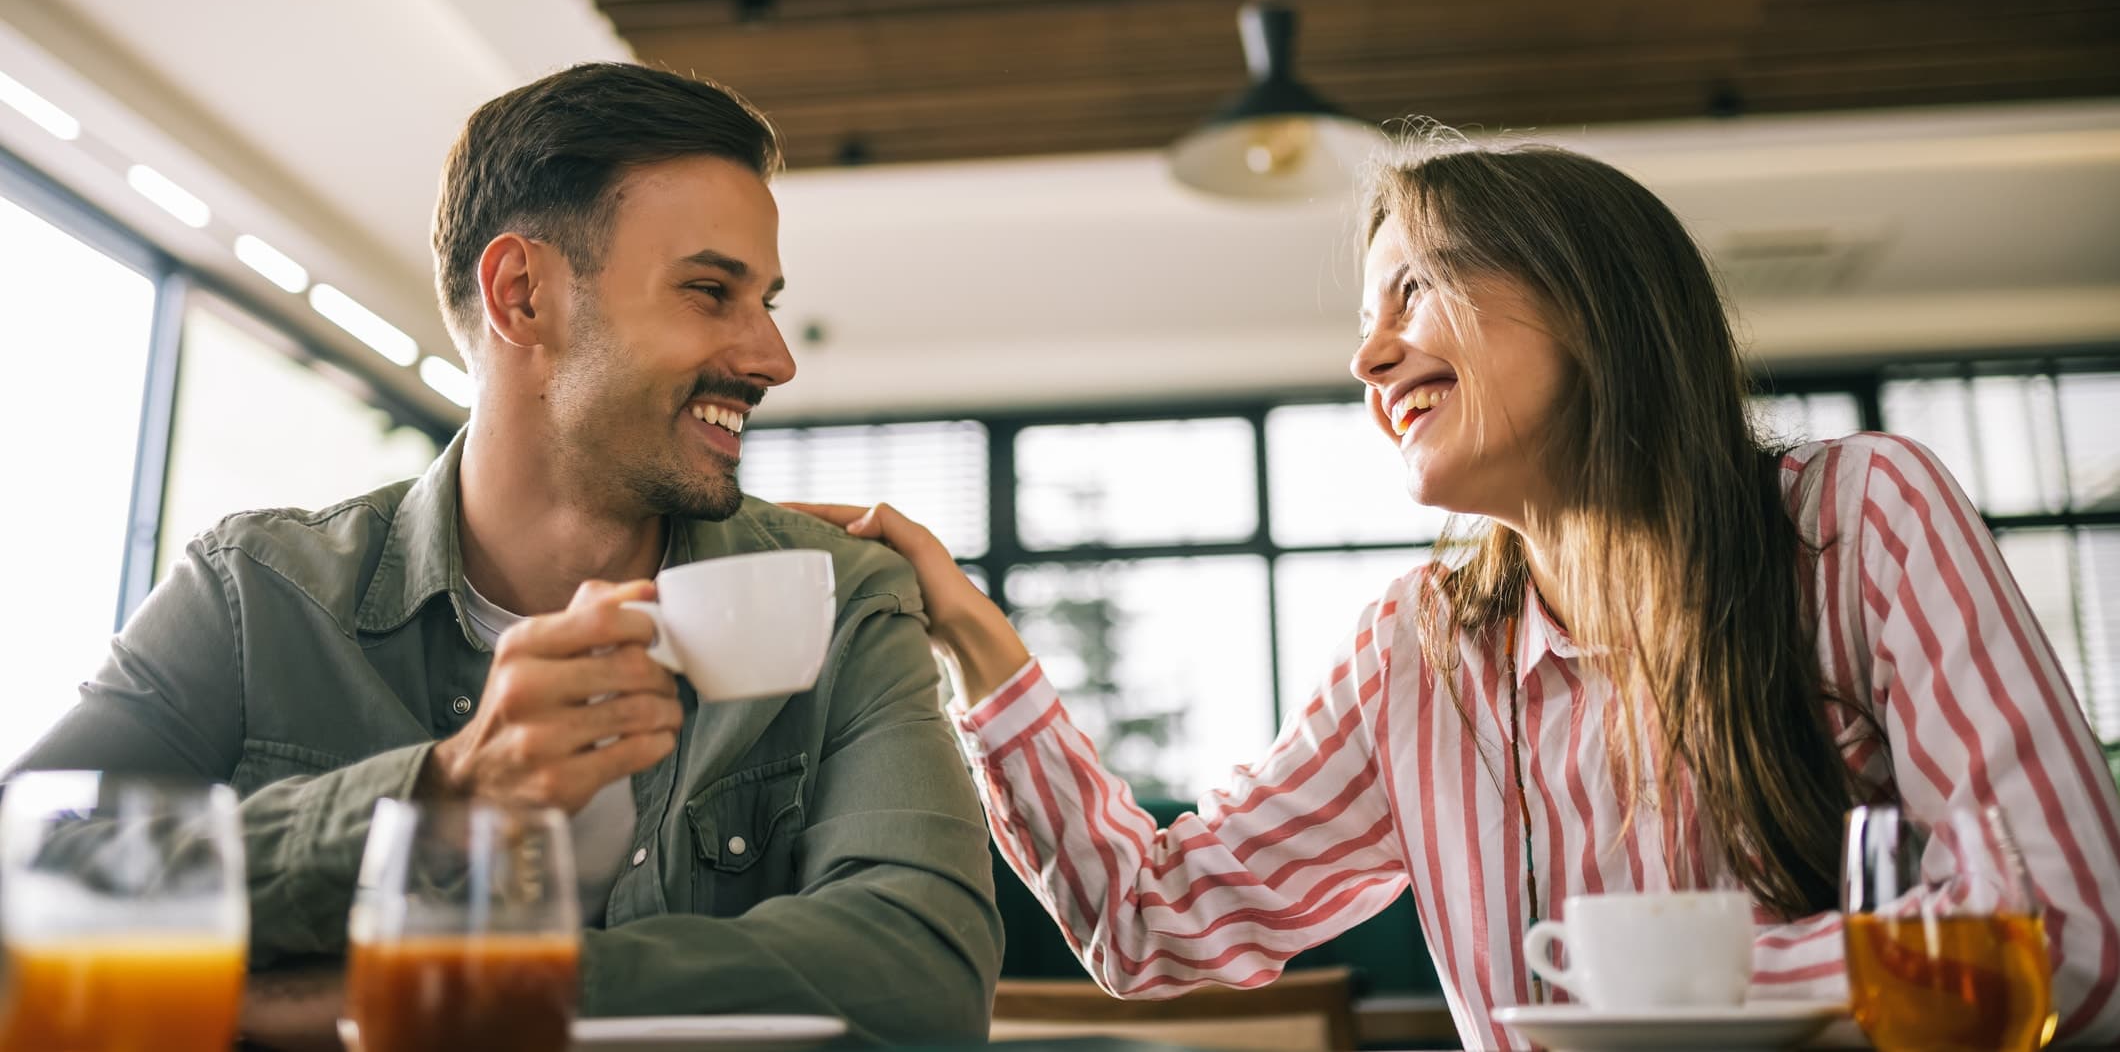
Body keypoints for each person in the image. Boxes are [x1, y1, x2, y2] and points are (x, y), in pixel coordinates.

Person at [792, 139, 2120, 1049]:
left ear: (1591, 303)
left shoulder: (1859, 517)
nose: (1369, 355)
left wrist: (1660, 981)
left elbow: (2063, 924)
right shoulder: (1420, 650)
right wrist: (974, 639)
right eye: (1367, 317)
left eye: (1417, 288)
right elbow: (1160, 928)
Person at [8, 63, 1001, 1042]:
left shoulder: (843, 598)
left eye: (766, 302)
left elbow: (924, 969)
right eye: (710, 291)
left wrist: (418, 985)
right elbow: (22, 885)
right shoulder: (255, 595)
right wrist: (441, 788)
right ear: (522, 295)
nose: (771, 357)